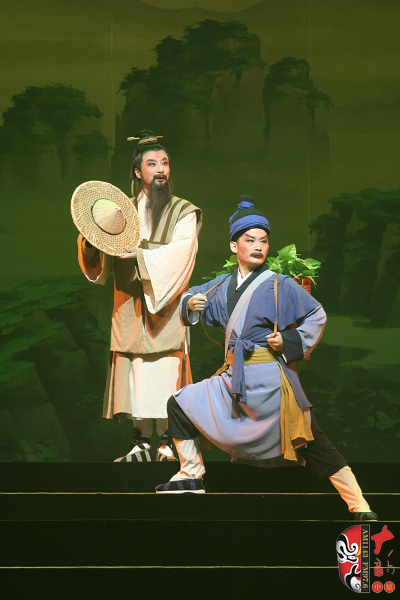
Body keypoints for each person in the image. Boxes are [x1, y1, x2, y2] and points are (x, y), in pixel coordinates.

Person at [155, 195, 377, 521]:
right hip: (235, 379)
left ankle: (359, 504)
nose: (258, 246)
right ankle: (191, 474)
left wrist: (288, 341)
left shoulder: (279, 285)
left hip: (271, 379)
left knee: (312, 440)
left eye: (263, 240)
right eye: (250, 240)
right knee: (180, 403)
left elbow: (316, 315)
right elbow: (191, 294)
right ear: (234, 246)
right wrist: (191, 303)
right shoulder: (222, 284)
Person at [77, 130, 202, 462]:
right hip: (130, 303)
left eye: (165, 163)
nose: (160, 169)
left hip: (165, 305)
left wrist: (142, 256)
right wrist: (91, 240)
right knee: (136, 372)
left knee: (164, 371)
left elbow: (182, 254)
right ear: (137, 171)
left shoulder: (184, 212)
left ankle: (167, 441)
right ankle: (141, 442)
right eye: (152, 164)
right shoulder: (120, 212)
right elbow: (102, 261)